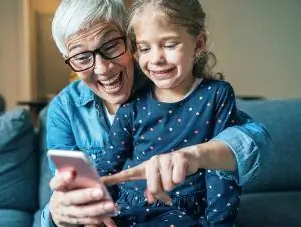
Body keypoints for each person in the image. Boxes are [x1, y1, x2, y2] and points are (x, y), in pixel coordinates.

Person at [42, 0, 271, 226]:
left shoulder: (174, 83)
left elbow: (251, 138)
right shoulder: (65, 110)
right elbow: (73, 191)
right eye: (82, 57)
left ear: (129, 41)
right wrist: (69, 212)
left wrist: (198, 155)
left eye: (111, 46)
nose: (103, 68)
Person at [94, 0, 241, 225]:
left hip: (185, 212)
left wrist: (217, 223)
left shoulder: (216, 95)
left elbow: (222, 171)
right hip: (130, 208)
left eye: (170, 45)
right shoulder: (132, 105)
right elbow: (108, 164)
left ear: (198, 43)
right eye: (144, 49)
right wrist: (93, 204)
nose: (156, 59)